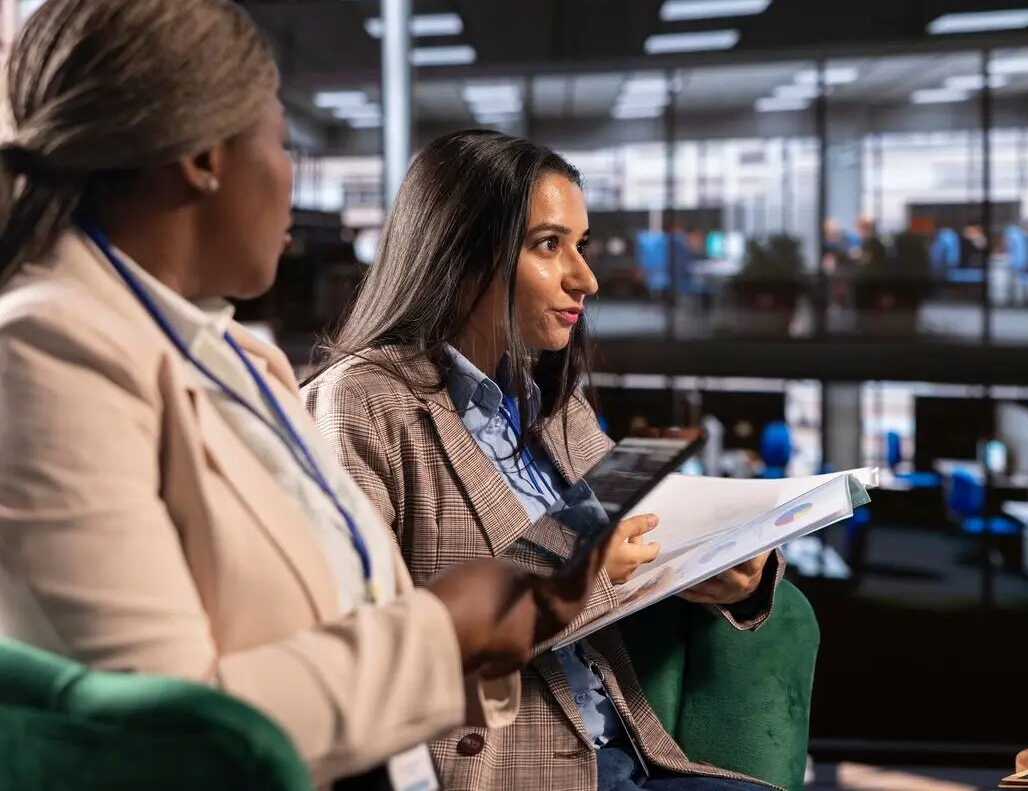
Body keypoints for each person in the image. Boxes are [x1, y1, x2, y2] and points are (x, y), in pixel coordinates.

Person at [0, 0, 607, 789]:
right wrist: (446, 629)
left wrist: (487, 626)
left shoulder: (233, 354)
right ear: (204, 158)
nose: (294, 178)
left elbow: (350, 617)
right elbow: (183, 736)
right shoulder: (45, 355)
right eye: (282, 143)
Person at [305, 130, 783, 791]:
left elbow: (651, 527)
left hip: (626, 757)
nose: (584, 277)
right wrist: (588, 577)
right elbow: (379, 649)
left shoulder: (554, 406)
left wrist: (737, 564)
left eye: (579, 246)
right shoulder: (360, 406)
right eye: (549, 245)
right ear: (461, 252)